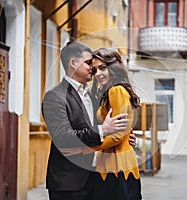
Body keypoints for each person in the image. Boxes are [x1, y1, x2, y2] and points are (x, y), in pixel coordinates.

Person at [41, 41, 131, 200]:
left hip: (97, 177)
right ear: (73, 63)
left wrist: (124, 137)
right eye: (89, 63)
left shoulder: (94, 94)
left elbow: (111, 121)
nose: (93, 68)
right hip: (69, 183)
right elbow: (63, 136)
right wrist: (103, 130)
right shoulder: (54, 96)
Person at [89, 48, 142, 200]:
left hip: (117, 165)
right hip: (115, 162)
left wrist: (87, 147)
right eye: (95, 70)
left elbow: (118, 135)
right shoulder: (108, 92)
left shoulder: (116, 90)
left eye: (103, 68)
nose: (98, 74)